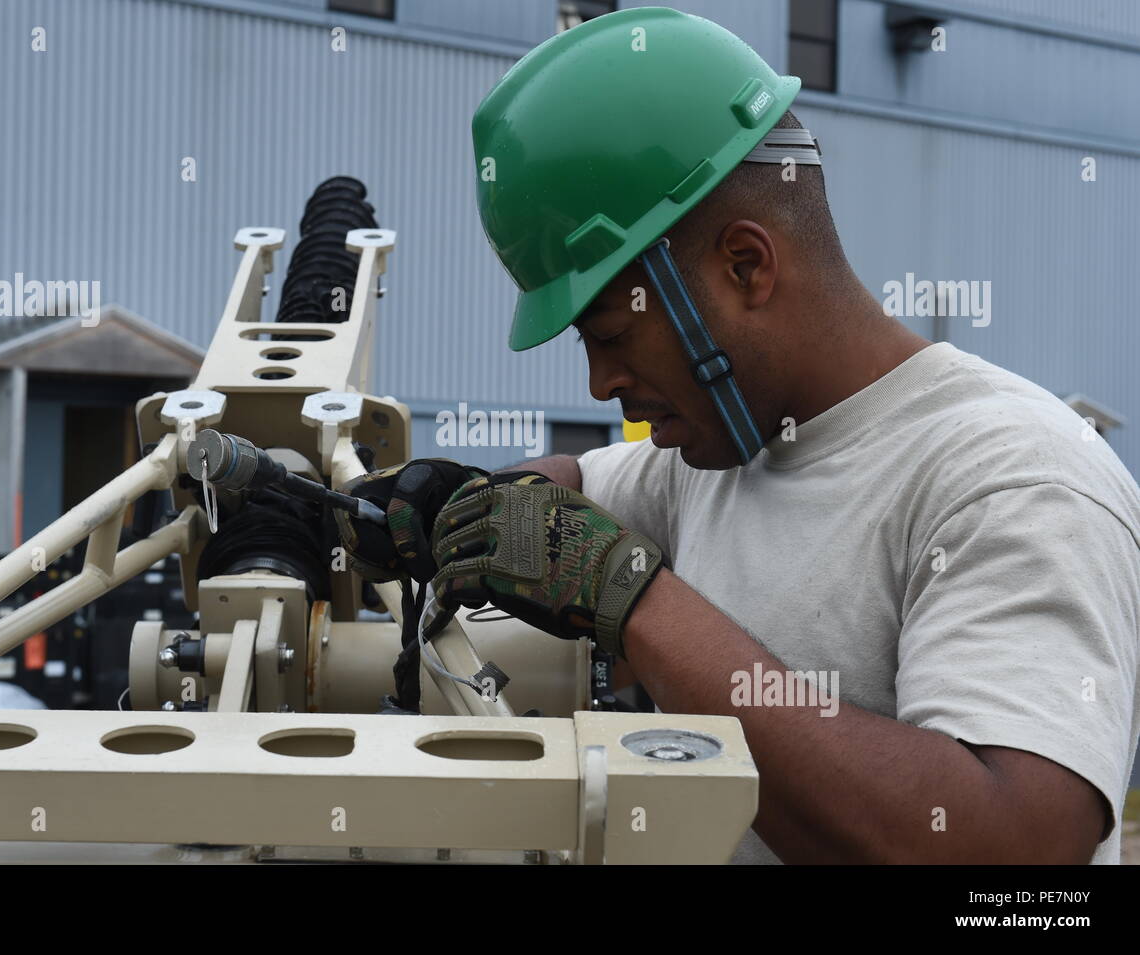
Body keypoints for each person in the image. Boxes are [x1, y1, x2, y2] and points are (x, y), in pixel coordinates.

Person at [337, 7, 1140, 864]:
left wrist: (635, 600)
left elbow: (1016, 855)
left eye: (609, 333)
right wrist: (453, 504)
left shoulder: (1014, 476)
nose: (599, 383)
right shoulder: (725, 450)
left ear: (747, 266)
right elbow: (572, 485)